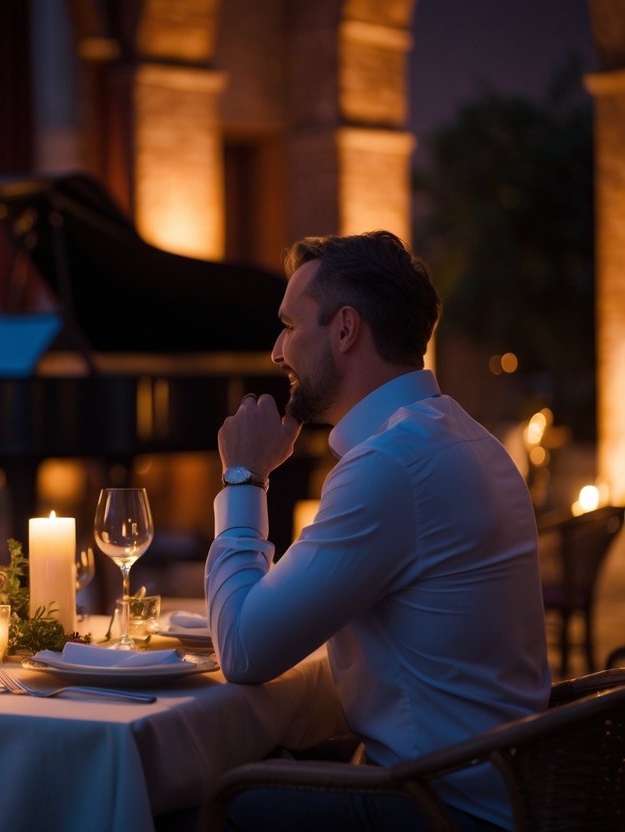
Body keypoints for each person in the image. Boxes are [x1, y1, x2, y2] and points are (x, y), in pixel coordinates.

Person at [207, 231, 549, 831]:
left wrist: (243, 479)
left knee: (200, 805)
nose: (276, 350)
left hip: (442, 808)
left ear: (344, 330)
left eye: (290, 326)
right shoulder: (463, 438)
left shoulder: (390, 466)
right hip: (505, 784)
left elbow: (242, 649)